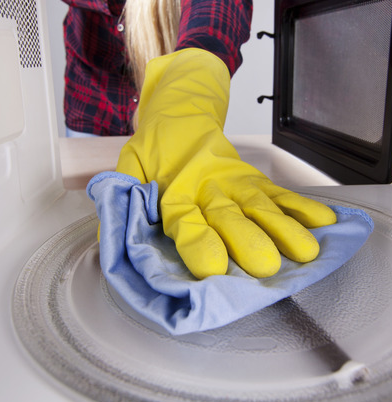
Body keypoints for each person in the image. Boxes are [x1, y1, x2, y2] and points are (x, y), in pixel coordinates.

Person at [62, 0, 338, 279]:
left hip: (175, 90)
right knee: (73, 212)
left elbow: (217, 8)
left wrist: (191, 85)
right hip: (95, 106)